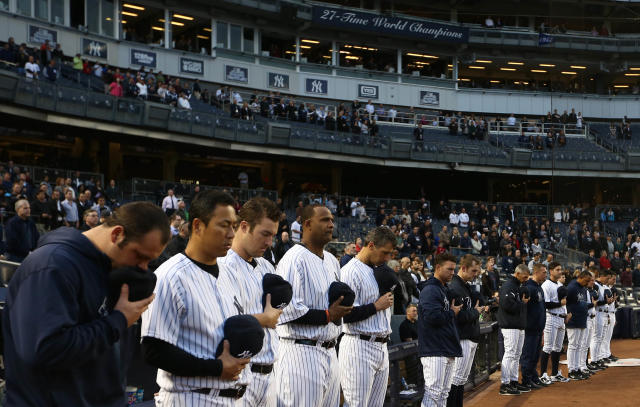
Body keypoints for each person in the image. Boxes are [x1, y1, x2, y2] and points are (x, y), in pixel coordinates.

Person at [3, 202, 169, 406]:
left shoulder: (109, 270)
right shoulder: (52, 265)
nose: (143, 268)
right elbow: (45, 350)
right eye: (140, 256)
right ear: (117, 234)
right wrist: (118, 321)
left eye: (149, 261)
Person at [141, 191, 253, 405]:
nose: (231, 233)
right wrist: (216, 368)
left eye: (234, 226)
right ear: (198, 226)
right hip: (191, 397)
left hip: (234, 397)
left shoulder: (229, 274)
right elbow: (154, 350)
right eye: (224, 225)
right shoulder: (170, 275)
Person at [274, 204, 352, 407]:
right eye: (325, 220)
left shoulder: (332, 261)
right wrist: (328, 314)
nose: (331, 224)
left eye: (332, 220)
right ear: (307, 224)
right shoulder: (294, 259)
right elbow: (287, 311)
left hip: (329, 351)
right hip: (301, 353)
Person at [217, 197, 286, 406]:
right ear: (244, 227)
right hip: (241, 375)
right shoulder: (222, 265)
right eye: (264, 234)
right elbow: (224, 321)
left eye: (272, 235)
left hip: (270, 374)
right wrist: (264, 319)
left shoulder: (267, 266)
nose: (269, 242)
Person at [339, 226, 396, 407]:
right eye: (384, 253)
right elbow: (343, 315)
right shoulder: (350, 271)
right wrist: (375, 306)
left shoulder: (378, 270)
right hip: (359, 346)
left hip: (381, 345)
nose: (387, 258)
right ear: (371, 245)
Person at [417, 252, 462, 407]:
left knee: (443, 394)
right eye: (449, 269)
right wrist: (452, 312)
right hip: (434, 349)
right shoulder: (430, 290)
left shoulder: (442, 289)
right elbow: (432, 317)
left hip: (445, 348)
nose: (453, 273)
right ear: (437, 267)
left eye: (454, 269)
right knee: (434, 393)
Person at [447, 254, 486, 406]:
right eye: (473, 271)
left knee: (461, 379)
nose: (475, 275)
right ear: (463, 268)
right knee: (456, 379)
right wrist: (476, 312)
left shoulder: (465, 287)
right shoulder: (455, 287)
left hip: (469, 336)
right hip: (461, 337)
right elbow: (458, 316)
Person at [497, 264, 530, 396]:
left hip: (518, 325)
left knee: (516, 355)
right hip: (510, 325)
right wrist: (522, 304)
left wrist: (521, 304)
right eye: (525, 276)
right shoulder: (508, 285)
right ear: (517, 274)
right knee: (510, 354)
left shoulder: (517, 286)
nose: (526, 279)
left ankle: (513, 380)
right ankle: (505, 384)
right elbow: (506, 305)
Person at [540, 262, 570, 384]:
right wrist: (560, 304)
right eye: (557, 269)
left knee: (557, 348)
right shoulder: (546, 285)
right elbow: (546, 304)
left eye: (560, 269)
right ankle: (542, 374)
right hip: (551, 317)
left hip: (561, 318)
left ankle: (555, 373)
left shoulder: (559, 284)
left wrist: (566, 313)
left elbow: (564, 302)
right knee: (547, 347)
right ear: (550, 271)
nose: (560, 271)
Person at [519, 263, 548, 389]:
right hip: (530, 328)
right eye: (544, 272)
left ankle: (534, 377)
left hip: (538, 327)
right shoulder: (529, 287)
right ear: (536, 273)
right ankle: (526, 379)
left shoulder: (538, 287)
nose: (545, 274)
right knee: (528, 355)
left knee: (535, 355)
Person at [566, 270, 597, 380]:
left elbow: (581, 303)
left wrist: (591, 305)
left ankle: (577, 368)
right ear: (581, 277)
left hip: (582, 319)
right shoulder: (572, 287)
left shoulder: (583, 289)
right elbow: (566, 302)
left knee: (579, 345)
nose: (588, 283)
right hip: (573, 320)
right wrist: (568, 314)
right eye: (587, 280)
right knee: (573, 345)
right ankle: (571, 370)